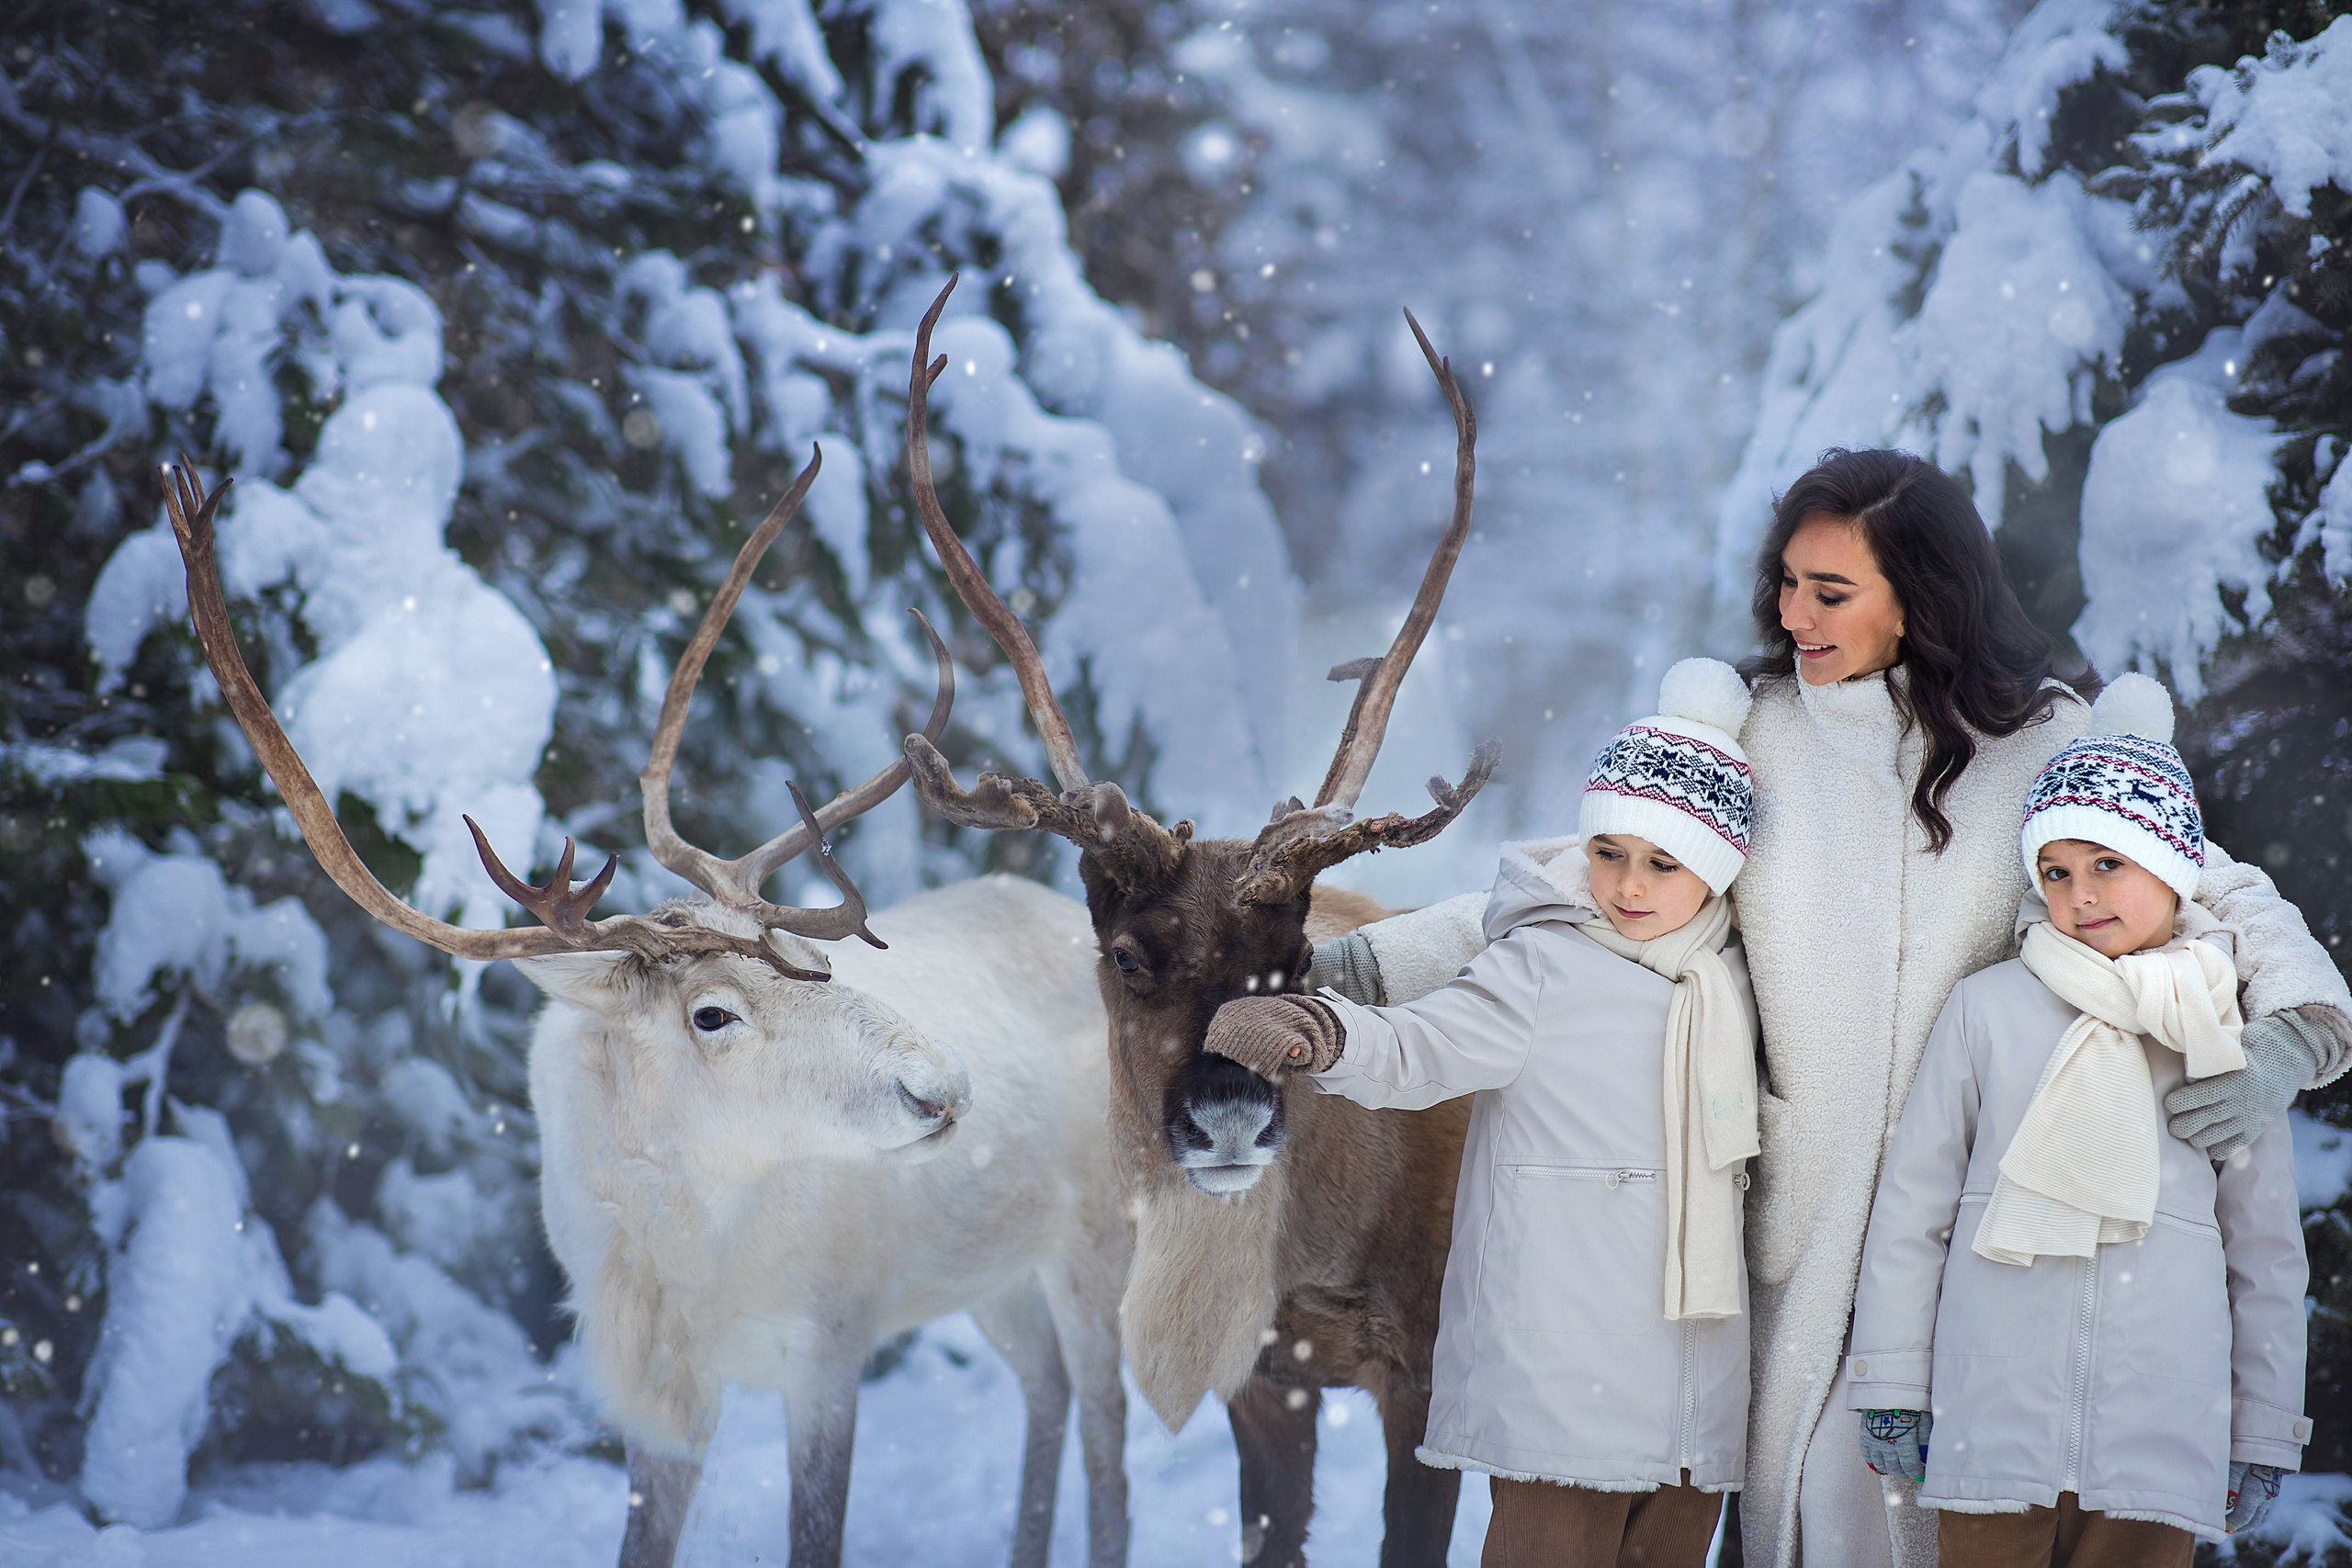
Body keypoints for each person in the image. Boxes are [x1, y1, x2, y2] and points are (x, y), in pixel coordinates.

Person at [1300, 449, 2352, 1567]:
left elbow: (2203, 878)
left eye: (1830, 591)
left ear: (1921, 599)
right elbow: (1589, 875)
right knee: (1782, 1518)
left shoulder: (2046, 742)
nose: (1794, 615)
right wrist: (1362, 966)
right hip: (1786, 1209)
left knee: (1931, 1521)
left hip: (1971, 1207)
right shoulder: (1754, 730)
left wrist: (2293, 1028)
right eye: (1786, 585)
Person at [1206, 659, 1762, 1568]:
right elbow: (1427, 1045)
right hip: (1566, 1358)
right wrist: (1322, 1032)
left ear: (1716, 870)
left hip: (1696, 1369)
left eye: (1662, 863)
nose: (1627, 886)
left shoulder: (1733, 983)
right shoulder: (1541, 963)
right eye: (1608, 853)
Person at [1844, 673, 2309, 1566]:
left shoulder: (2224, 1033)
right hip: (1993, 1415)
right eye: (2054, 872)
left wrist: (2262, 1429)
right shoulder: (1987, 1008)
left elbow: (2262, 1252)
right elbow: (1914, 1209)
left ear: (2171, 869)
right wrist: (1892, 1383)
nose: (2080, 894)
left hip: (2159, 1429)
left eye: (2108, 864)